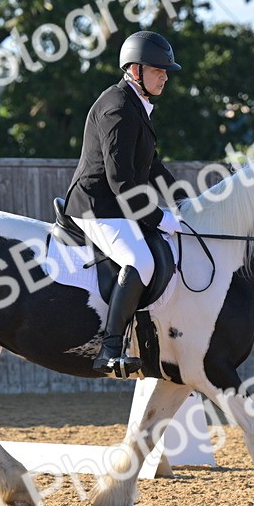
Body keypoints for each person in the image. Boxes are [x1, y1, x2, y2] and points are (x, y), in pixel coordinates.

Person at [63, 30, 184, 377]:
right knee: (140, 260)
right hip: (96, 205)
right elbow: (121, 182)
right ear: (135, 70)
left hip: (117, 205)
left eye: (166, 71)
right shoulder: (117, 107)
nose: (165, 76)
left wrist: (184, 201)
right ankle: (110, 348)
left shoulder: (136, 105)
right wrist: (158, 217)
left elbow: (153, 166)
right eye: (158, 70)